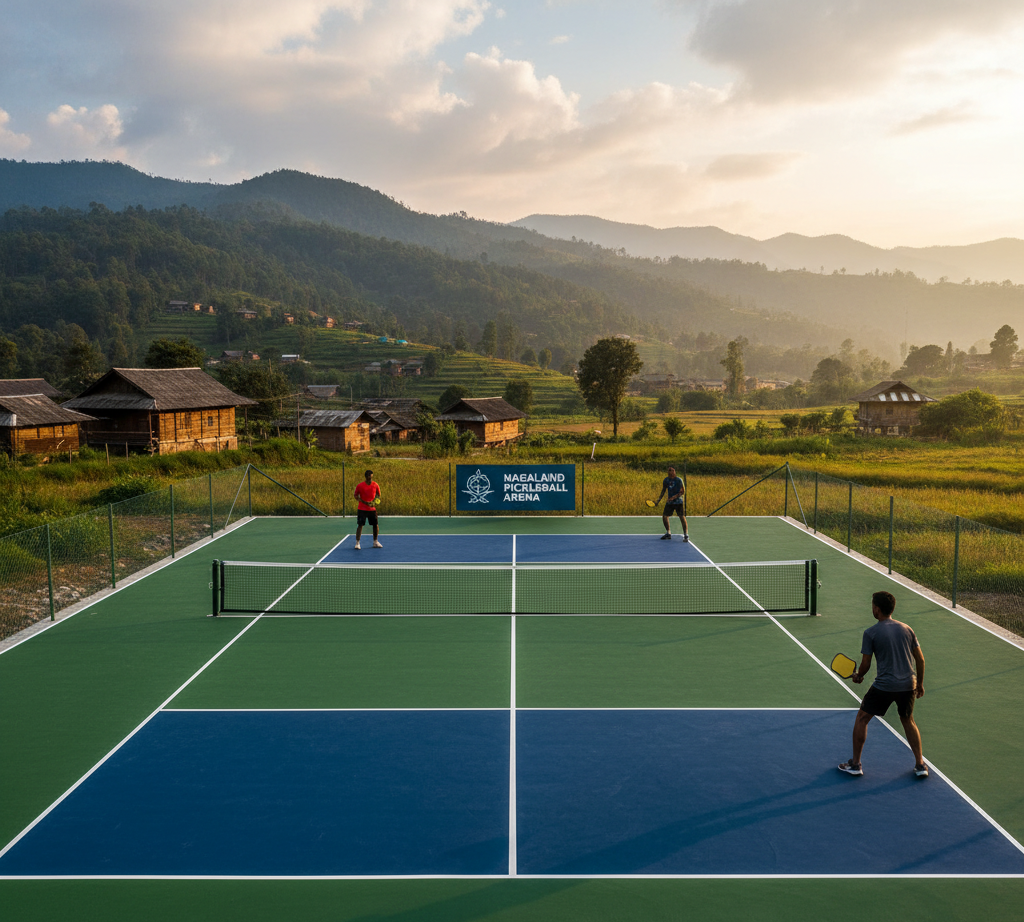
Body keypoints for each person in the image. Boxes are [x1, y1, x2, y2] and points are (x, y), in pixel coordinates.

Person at [839, 590, 927, 778]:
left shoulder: (870, 633)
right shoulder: (907, 629)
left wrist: (858, 676)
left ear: (877, 609)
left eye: (872, 606)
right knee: (908, 720)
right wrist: (919, 684)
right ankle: (920, 765)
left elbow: (865, 664)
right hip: (908, 685)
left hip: (885, 686)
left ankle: (855, 764)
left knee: (863, 717)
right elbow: (920, 659)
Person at [656, 466, 688, 541]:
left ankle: (686, 535)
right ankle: (668, 533)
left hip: (678, 502)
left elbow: (682, 492)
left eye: (672, 470)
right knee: (664, 516)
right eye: (669, 470)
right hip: (670, 503)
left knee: (681, 517)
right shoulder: (666, 480)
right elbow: (663, 491)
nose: (671, 472)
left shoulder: (679, 480)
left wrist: (673, 497)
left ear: (674, 471)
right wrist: (658, 500)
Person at [353, 469, 382, 550]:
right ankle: (357, 543)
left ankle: (375, 542)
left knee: (375, 525)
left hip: (372, 509)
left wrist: (375, 503)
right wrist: (363, 501)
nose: (370, 479)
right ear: (366, 477)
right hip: (362, 509)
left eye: (371, 477)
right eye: (369, 478)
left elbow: (378, 496)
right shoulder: (360, 486)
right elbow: (355, 496)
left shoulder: (375, 485)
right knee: (360, 525)